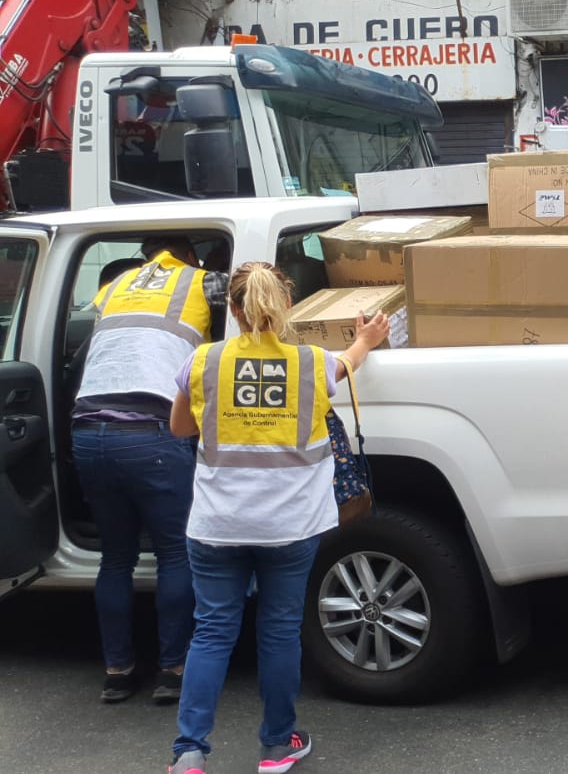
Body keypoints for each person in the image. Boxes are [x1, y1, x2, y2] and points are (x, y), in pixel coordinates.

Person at [166, 263, 389, 774]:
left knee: (212, 633)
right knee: (280, 631)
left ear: (234, 309)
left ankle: (190, 752)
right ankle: (275, 747)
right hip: (289, 526)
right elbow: (350, 362)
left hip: (218, 524)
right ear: (286, 304)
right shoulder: (312, 362)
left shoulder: (203, 360)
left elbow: (180, 427)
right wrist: (366, 339)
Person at [71, 236, 226, 704]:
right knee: (175, 553)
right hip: (151, 431)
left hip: (88, 431)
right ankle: (171, 670)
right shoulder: (202, 281)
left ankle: (117, 671)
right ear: (190, 257)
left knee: (114, 557)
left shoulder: (115, 285)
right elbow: (249, 293)